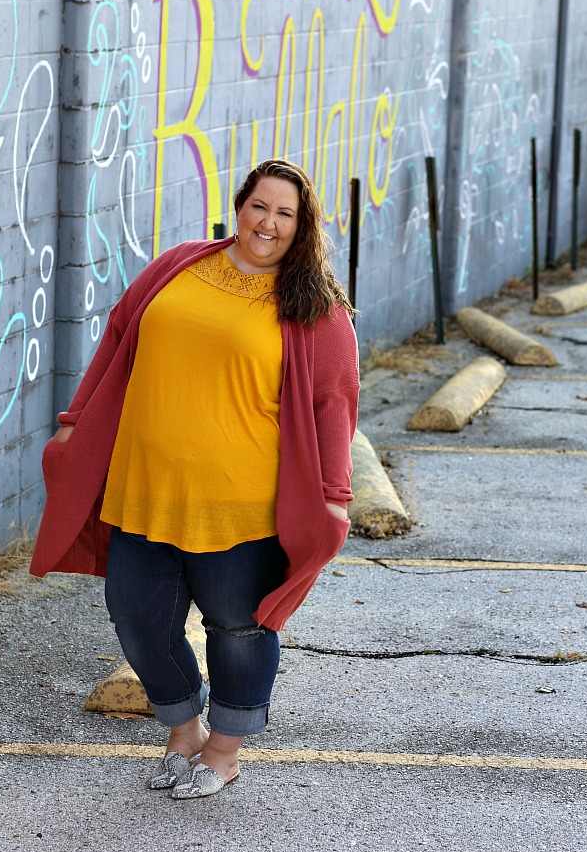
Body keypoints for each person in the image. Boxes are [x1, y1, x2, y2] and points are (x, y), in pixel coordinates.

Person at [30, 158, 360, 799]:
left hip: (242, 508)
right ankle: (182, 728)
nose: (268, 222)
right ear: (239, 206)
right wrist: (75, 419)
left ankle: (225, 748)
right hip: (142, 489)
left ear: (303, 226)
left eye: (284, 213)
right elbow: (119, 336)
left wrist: (334, 494)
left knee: (238, 629)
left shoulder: (316, 309)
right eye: (259, 206)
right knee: (138, 621)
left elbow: (334, 403)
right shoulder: (178, 264)